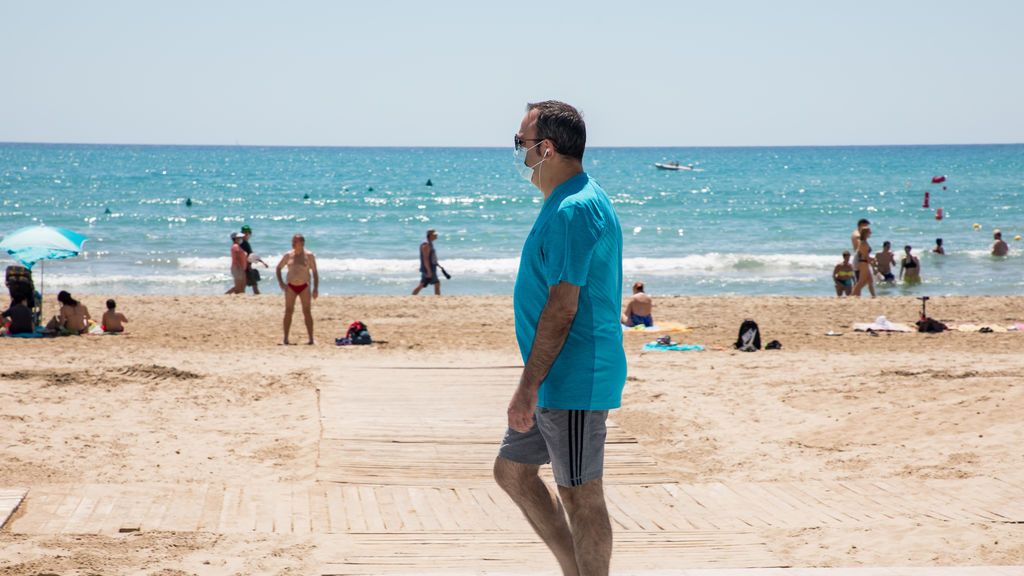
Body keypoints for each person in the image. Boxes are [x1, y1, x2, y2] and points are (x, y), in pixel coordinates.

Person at [494, 101, 626, 576]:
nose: (518, 153)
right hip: (555, 378)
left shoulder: (574, 208)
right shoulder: (565, 201)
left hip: (572, 378)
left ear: (545, 149)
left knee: (580, 493)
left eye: (520, 143)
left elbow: (563, 307)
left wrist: (527, 386)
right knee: (511, 471)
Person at [276, 234, 319, 345]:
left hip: (304, 286)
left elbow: (314, 272)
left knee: (307, 311)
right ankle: (285, 338)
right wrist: (281, 283)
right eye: (292, 241)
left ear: (302, 243)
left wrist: (315, 288)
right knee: (288, 311)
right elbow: (278, 268)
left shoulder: (309, 255)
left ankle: (311, 338)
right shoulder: (288, 255)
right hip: (291, 287)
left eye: (295, 241)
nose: (293, 243)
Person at [240, 225, 269, 295]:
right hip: (247, 267)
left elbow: (251, 256)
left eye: (248, 233)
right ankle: (257, 294)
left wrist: (262, 262)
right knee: (253, 284)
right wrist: (263, 262)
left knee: (243, 286)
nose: (247, 234)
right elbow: (251, 256)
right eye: (245, 233)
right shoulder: (245, 244)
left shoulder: (243, 243)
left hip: (245, 267)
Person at [411, 229, 442, 295]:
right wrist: (428, 270)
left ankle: (412, 296)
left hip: (431, 267)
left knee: (432, 283)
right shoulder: (426, 244)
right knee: (426, 284)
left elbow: (431, 257)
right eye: (435, 234)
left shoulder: (430, 243)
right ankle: (412, 297)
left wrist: (437, 264)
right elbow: (425, 259)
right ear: (430, 235)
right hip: (428, 268)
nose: (436, 235)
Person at [851, 227, 875, 297]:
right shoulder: (863, 243)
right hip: (863, 263)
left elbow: (866, 256)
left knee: (870, 280)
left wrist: (872, 260)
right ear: (865, 233)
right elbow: (865, 256)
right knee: (861, 282)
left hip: (865, 262)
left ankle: (873, 296)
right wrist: (872, 261)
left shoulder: (865, 242)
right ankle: (852, 295)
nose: (870, 233)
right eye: (869, 232)